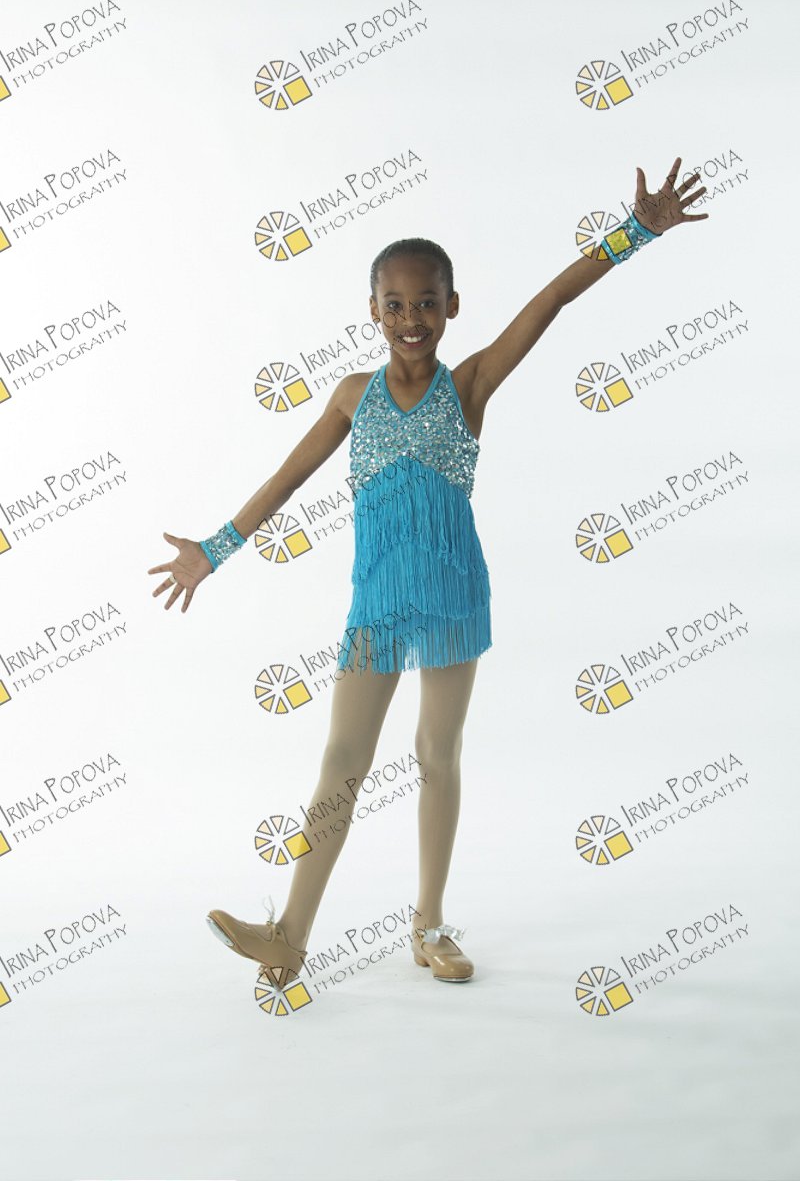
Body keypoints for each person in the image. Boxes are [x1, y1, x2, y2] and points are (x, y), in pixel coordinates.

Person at [148, 158, 707, 991]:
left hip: (452, 598)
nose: (411, 318)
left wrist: (634, 234)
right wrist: (212, 550)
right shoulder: (352, 396)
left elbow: (550, 302)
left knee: (436, 753)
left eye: (426, 302)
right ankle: (289, 935)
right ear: (373, 310)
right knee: (341, 758)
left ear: (452, 306)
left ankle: (430, 927)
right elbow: (287, 480)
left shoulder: (470, 384)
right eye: (395, 303)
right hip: (376, 604)